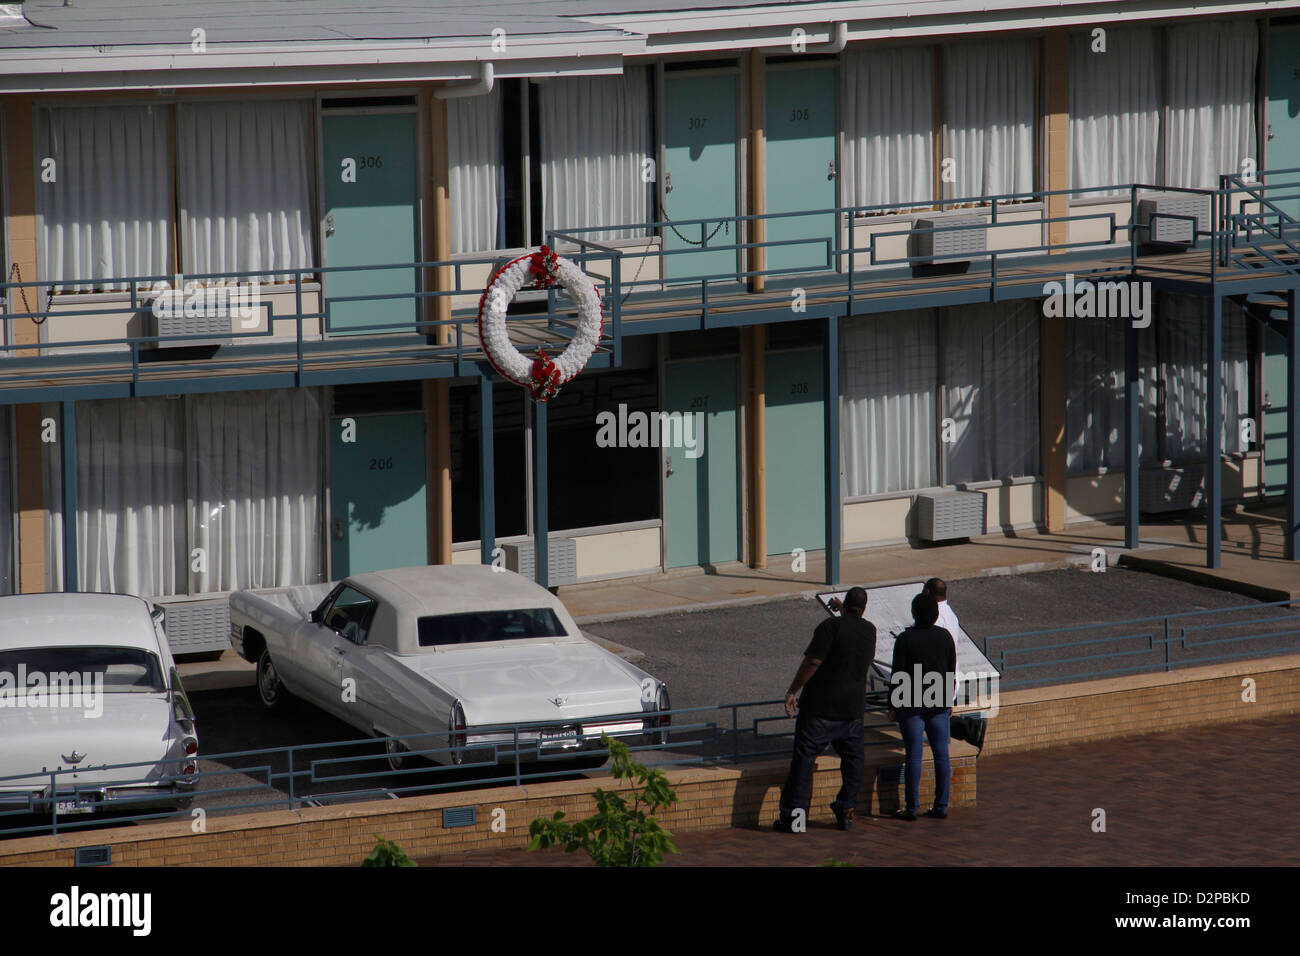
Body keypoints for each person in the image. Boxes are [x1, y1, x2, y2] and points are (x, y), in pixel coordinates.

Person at [774, 586, 876, 833]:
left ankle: (794, 821)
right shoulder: (869, 631)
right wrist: (843, 609)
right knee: (853, 762)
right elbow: (852, 626)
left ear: (847, 605)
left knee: (803, 764)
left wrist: (792, 691)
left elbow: (813, 661)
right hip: (851, 712)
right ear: (863, 609)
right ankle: (845, 810)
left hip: (819, 709)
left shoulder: (830, 628)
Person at [889, 592, 956, 821]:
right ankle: (941, 806)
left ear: (914, 613)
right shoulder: (945, 636)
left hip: (910, 702)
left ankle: (911, 808)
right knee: (941, 755)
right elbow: (950, 669)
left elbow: (897, 674)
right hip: (939, 701)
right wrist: (949, 700)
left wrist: (893, 705)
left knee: (914, 756)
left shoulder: (905, 639)